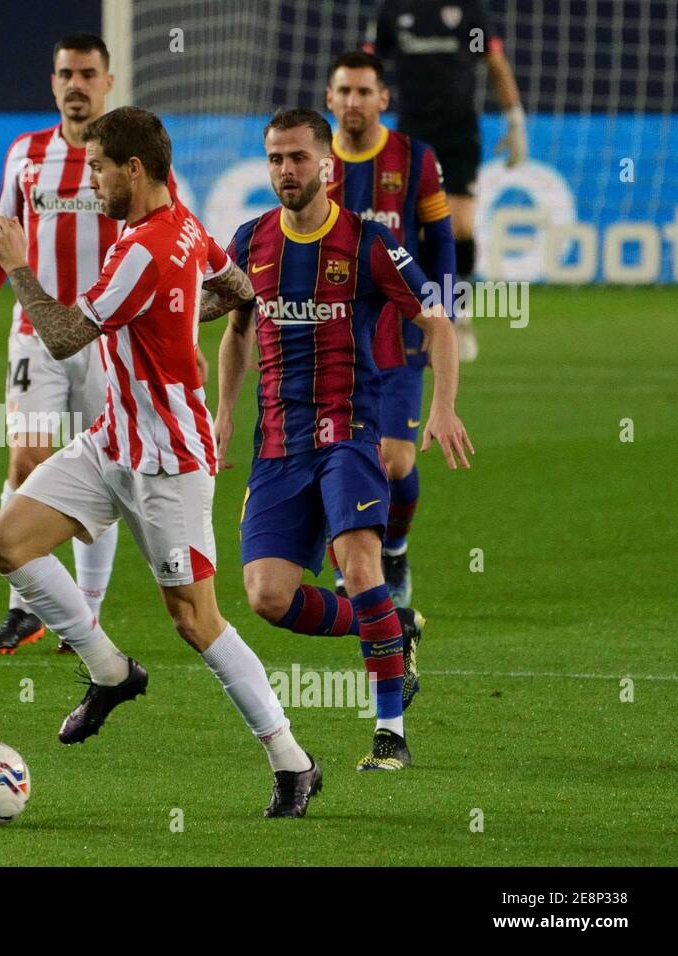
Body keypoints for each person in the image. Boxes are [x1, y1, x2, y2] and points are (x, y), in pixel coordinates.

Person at [0, 106, 322, 818]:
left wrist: (18, 267)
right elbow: (237, 291)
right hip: (112, 441)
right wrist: (168, 311)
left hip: (169, 460)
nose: (93, 179)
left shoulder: (141, 248)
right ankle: (108, 670)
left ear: (133, 169)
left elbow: (67, 336)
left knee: (196, 621)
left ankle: (293, 761)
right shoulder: (188, 227)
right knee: (5, 543)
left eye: (100, 167)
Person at [214, 110, 474, 771]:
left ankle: (390, 734)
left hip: (348, 436)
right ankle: (389, 624)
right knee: (267, 598)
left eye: (298, 158)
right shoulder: (250, 240)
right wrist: (221, 413)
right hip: (277, 443)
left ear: (327, 166)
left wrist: (441, 407)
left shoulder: (367, 244)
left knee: (361, 569)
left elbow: (436, 323)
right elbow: (236, 330)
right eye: (274, 158)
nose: (285, 171)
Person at [0, 33, 123, 655]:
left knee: (108, 472)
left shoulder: (127, 155)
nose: (77, 84)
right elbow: (1, 242)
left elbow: (159, 240)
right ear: (53, 82)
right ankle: (27, 608)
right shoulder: (26, 154)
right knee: (25, 461)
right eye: (66, 73)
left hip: (105, 334)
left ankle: (86, 615)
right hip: (35, 334)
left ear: (108, 81)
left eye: (88, 74)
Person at [323, 49, 457, 606]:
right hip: (329, 334)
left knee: (395, 458)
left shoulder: (415, 158)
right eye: (343, 91)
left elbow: (442, 240)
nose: (353, 101)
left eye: (364, 91)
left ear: (383, 99)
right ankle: (356, 558)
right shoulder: (310, 160)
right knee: (334, 454)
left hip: (397, 332)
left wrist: (445, 312)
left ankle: (394, 549)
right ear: (329, 98)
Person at [366, 0, 529, 362]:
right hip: (412, 133)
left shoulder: (467, 11)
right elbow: (369, 65)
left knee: (460, 226)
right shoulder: (394, 13)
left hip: (459, 133)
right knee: (419, 229)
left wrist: (515, 119)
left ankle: (461, 313)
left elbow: (493, 62)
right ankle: (430, 318)